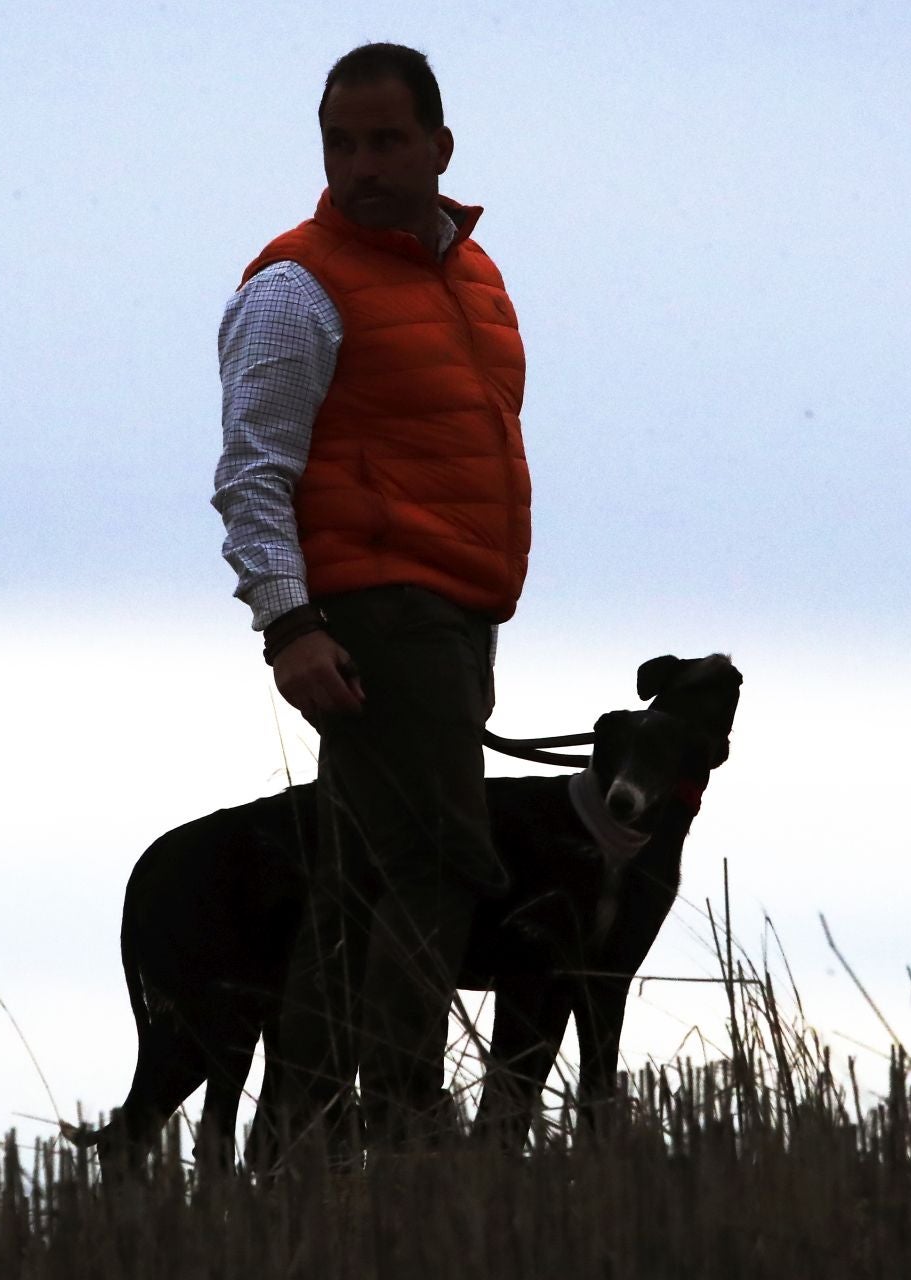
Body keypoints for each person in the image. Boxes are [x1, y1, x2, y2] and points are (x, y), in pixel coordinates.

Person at [211, 42, 530, 1156]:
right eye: (340, 144)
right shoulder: (298, 285)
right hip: (376, 614)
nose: (362, 166)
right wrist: (289, 624)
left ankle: (299, 1138)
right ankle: (400, 1120)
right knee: (441, 862)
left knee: (360, 880)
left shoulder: (472, 279)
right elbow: (251, 470)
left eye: (386, 141)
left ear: (440, 148)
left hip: (453, 616)